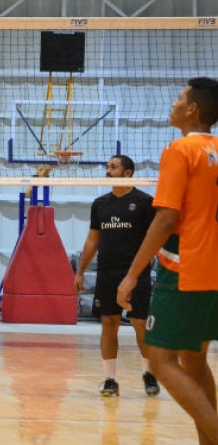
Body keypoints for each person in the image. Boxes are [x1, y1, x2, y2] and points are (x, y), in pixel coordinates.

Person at [117, 77, 218, 445]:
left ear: (192, 109)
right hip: (213, 269)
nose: (173, 104)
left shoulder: (182, 149)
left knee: (160, 361)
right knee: (194, 361)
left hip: (184, 269)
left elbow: (165, 218)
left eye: (179, 99)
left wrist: (132, 273)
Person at [73, 155, 157, 398]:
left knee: (141, 325)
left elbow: (155, 238)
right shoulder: (100, 204)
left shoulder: (144, 202)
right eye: (108, 167)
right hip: (107, 273)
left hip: (135, 273)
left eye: (114, 167)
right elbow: (92, 240)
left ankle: (148, 372)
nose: (108, 171)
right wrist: (79, 272)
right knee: (109, 325)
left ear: (128, 172)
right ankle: (110, 379)